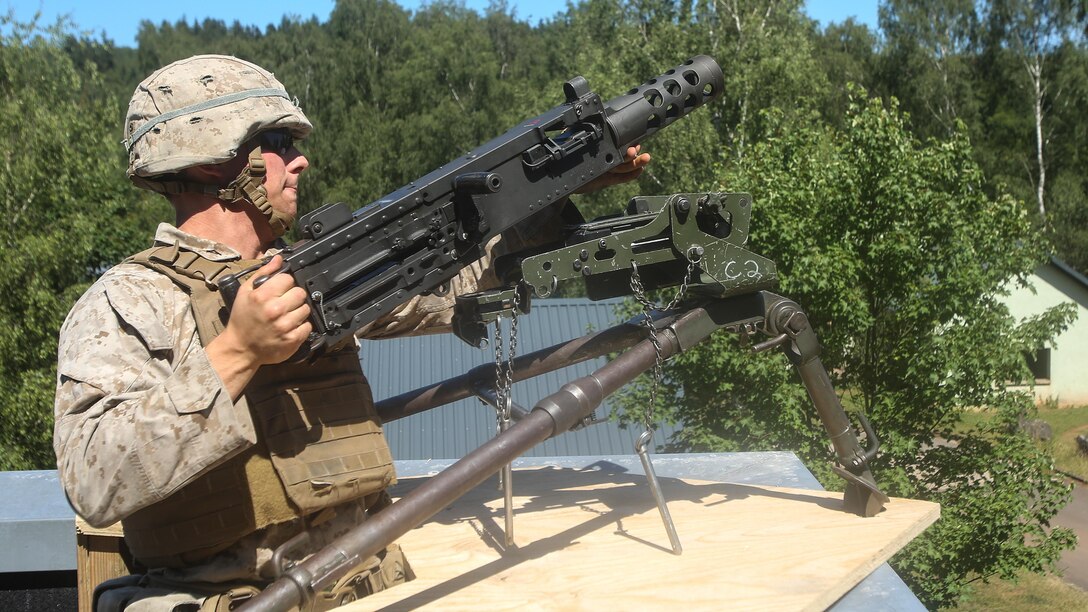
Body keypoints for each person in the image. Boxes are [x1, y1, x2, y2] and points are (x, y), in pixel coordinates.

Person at [53, 54, 650, 612]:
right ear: (214, 159)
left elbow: (461, 289)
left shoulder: (309, 274)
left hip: (369, 587)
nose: (300, 160)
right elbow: (94, 480)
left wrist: (556, 187)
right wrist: (236, 352)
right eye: (278, 143)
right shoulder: (129, 301)